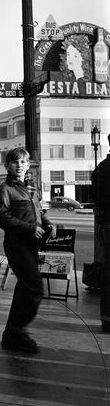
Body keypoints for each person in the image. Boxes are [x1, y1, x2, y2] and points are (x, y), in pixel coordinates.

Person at [0, 147, 55, 352]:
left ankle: (12, 333)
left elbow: (37, 213)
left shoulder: (29, 189)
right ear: (7, 166)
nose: (19, 165)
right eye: (15, 162)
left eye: (23, 162)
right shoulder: (3, 190)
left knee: (24, 289)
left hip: (30, 245)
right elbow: (2, 218)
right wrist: (29, 228)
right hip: (16, 245)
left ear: (28, 165)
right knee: (35, 288)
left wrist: (48, 224)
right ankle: (18, 330)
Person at [92, 133, 110, 332]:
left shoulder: (100, 170)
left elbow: (96, 202)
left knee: (109, 273)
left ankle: (107, 317)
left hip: (106, 226)